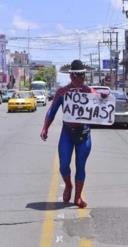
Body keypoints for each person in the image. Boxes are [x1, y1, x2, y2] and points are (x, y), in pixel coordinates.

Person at [40, 59, 93, 208]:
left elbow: (102, 105)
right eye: (75, 76)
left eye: (81, 76)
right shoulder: (62, 92)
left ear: (84, 77)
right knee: (63, 165)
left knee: (80, 166)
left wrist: (103, 98)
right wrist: (45, 127)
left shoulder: (90, 92)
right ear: (70, 76)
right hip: (67, 132)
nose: (78, 79)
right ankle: (68, 185)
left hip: (84, 133)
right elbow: (52, 111)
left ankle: (77, 197)